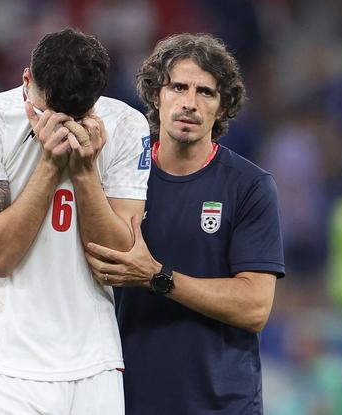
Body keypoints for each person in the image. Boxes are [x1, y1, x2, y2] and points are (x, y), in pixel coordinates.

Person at [0, 28, 150, 414]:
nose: (64, 126)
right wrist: (51, 167)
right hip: (5, 361)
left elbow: (119, 261)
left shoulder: (126, 126)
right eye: (50, 111)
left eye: (78, 115)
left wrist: (84, 172)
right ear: (26, 79)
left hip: (94, 360)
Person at [84, 33, 285, 414]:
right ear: (156, 95)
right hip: (126, 399)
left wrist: (157, 276)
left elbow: (255, 307)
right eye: (178, 87)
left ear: (222, 107)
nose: (189, 103)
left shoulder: (250, 187)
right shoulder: (115, 178)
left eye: (206, 92)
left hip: (221, 405)